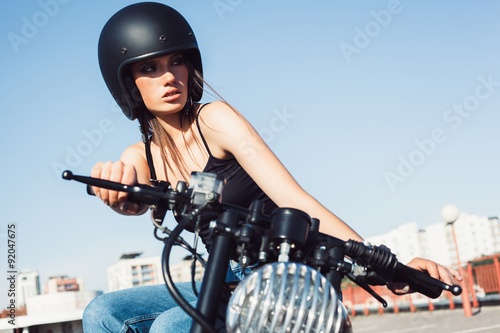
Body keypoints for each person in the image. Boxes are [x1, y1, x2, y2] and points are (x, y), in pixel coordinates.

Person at [83, 2, 462, 332]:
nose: (169, 77)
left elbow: (295, 198)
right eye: (149, 68)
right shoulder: (142, 153)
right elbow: (129, 185)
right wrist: (119, 194)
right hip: (228, 276)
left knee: (172, 326)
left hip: (287, 274)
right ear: (128, 84)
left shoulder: (215, 120)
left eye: (176, 61)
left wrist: (387, 265)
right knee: (101, 312)